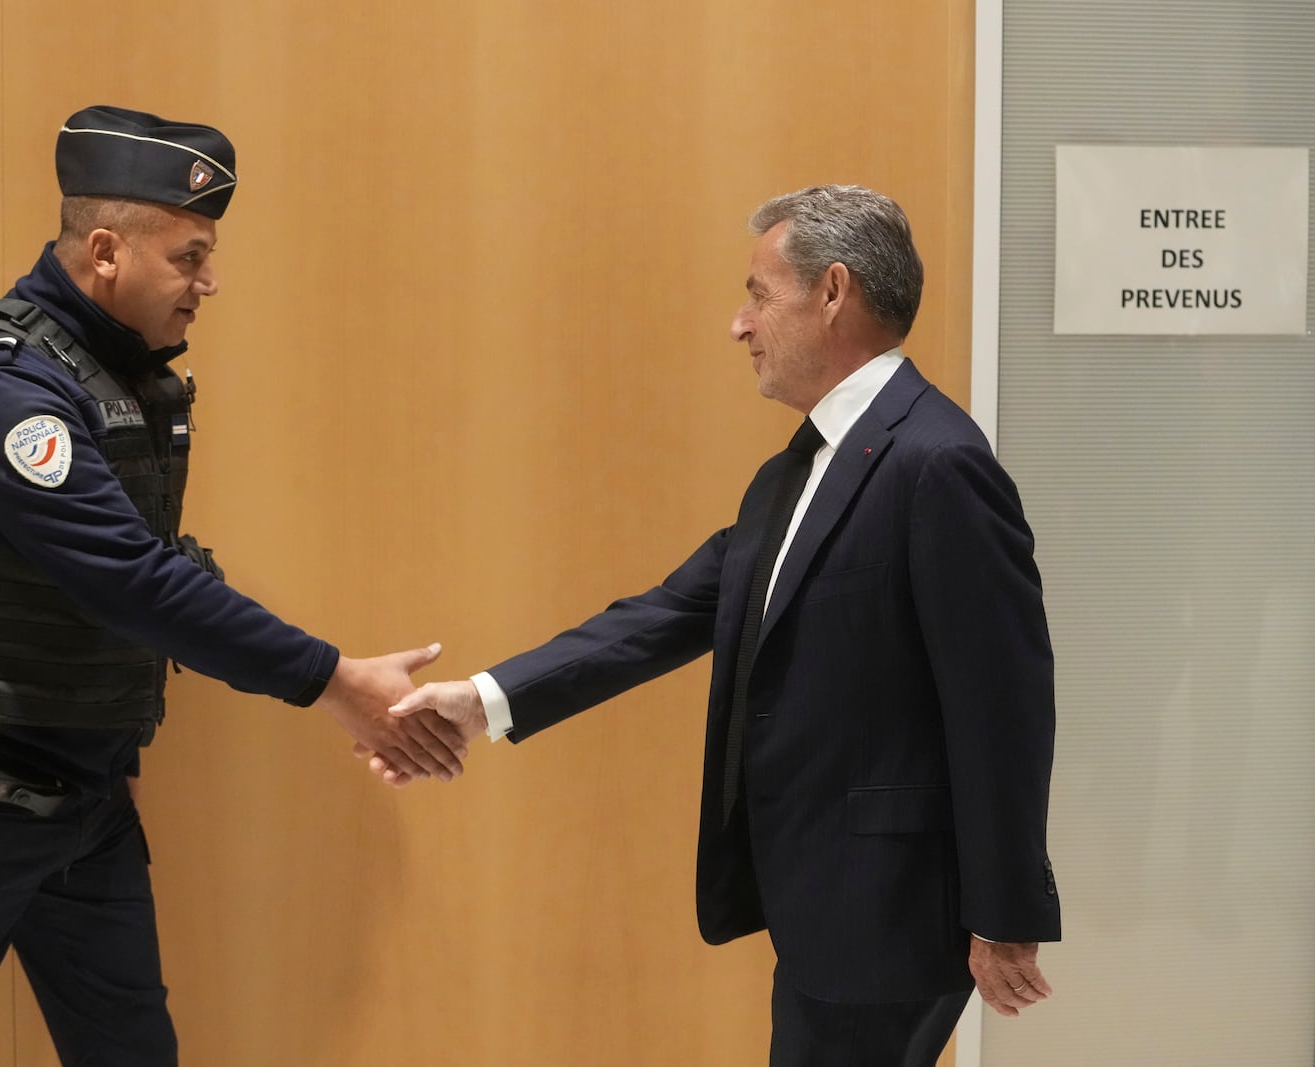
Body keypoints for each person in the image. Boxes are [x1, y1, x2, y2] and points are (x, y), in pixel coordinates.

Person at [0, 104, 466, 1067]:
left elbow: (147, 563)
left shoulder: (118, 381)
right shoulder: (1, 389)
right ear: (108, 249)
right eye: (191, 257)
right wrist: (334, 678)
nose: (210, 283)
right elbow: (130, 579)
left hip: (82, 801)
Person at [382, 186, 1060, 1066]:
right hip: (825, 901)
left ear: (832, 293)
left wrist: (1005, 914)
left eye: (758, 293)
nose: (738, 325)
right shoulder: (797, 470)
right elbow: (667, 613)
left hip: (891, 913)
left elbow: (1003, 704)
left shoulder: (939, 464)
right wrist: (486, 698)